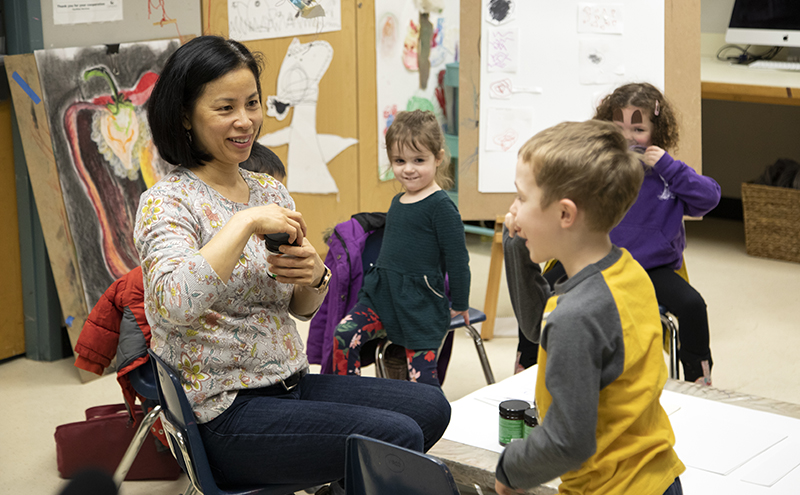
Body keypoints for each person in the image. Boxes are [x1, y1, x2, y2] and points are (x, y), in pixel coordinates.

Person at [136, 36, 450, 494]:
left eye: (253, 103)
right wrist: (242, 222)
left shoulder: (269, 191)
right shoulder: (165, 201)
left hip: (288, 380)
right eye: (225, 108)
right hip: (224, 412)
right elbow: (172, 305)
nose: (245, 121)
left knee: (430, 408)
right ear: (185, 115)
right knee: (393, 436)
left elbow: (302, 307)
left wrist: (314, 275)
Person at [496, 120, 685, 495]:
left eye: (520, 197)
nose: (513, 211)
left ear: (565, 214)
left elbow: (568, 442)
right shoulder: (625, 270)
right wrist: (516, 242)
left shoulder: (577, 315)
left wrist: (508, 471)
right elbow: (539, 328)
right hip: (657, 479)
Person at [331, 110, 470, 387]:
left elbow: (457, 261)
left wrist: (461, 303)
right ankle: (351, 401)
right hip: (382, 299)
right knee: (344, 335)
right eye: (399, 161)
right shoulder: (397, 201)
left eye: (419, 160)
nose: (408, 168)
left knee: (422, 382)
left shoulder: (442, 207)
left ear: (438, 158)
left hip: (421, 307)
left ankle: (428, 424)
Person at [597, 82, 720, 385]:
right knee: (542, 291)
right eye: (619, 128)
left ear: (657, 132)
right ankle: (530, 360)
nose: (628, 137)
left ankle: (698, 378)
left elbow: (710, 198)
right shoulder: (598, 166)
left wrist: (670, 168)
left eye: (638, 129)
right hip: (598, 262)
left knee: (692, 305)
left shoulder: (670, 174)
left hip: (652, 268)